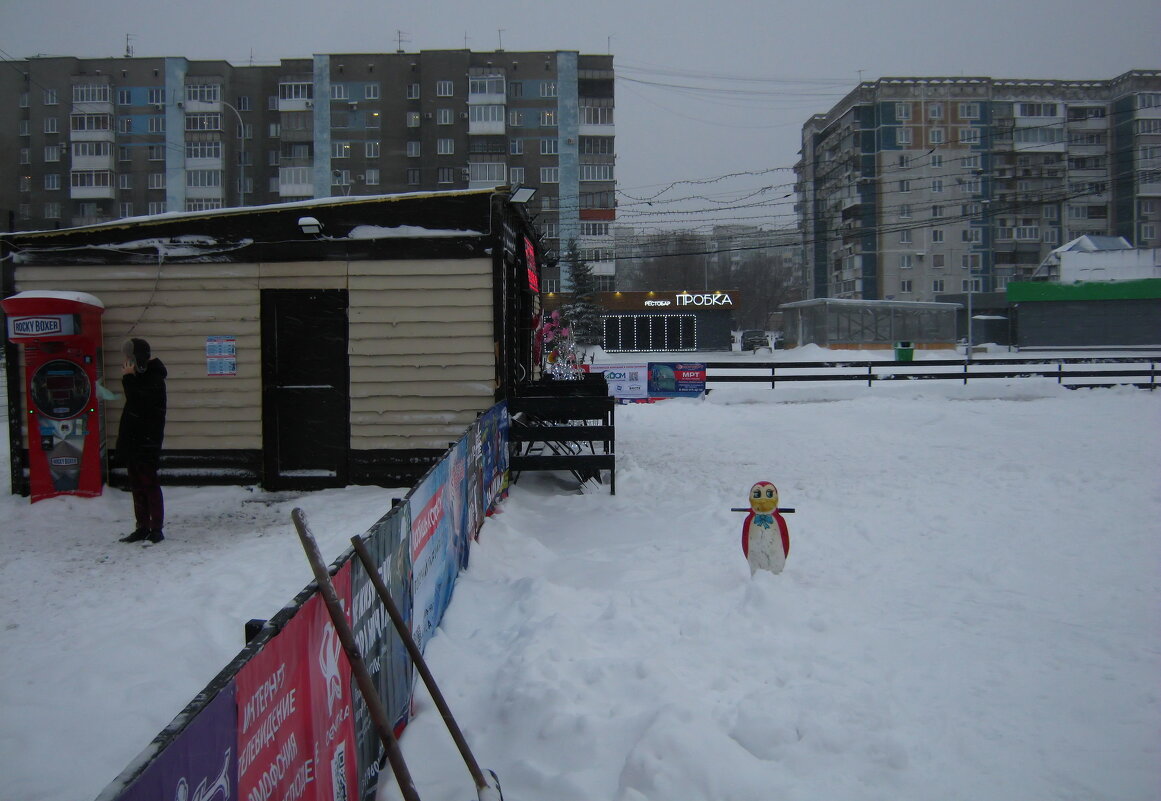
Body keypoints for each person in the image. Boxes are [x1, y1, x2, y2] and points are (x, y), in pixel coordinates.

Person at [117, 338, 168, 544]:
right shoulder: (141, 376)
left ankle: (156, 527)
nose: (127, 363)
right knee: (137, 486)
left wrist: (128, 379)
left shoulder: (154, 377)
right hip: (133, 440)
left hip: (147, 441)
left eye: (130, 358)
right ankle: (142, 526)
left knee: (149, 484)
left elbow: (139, 403)